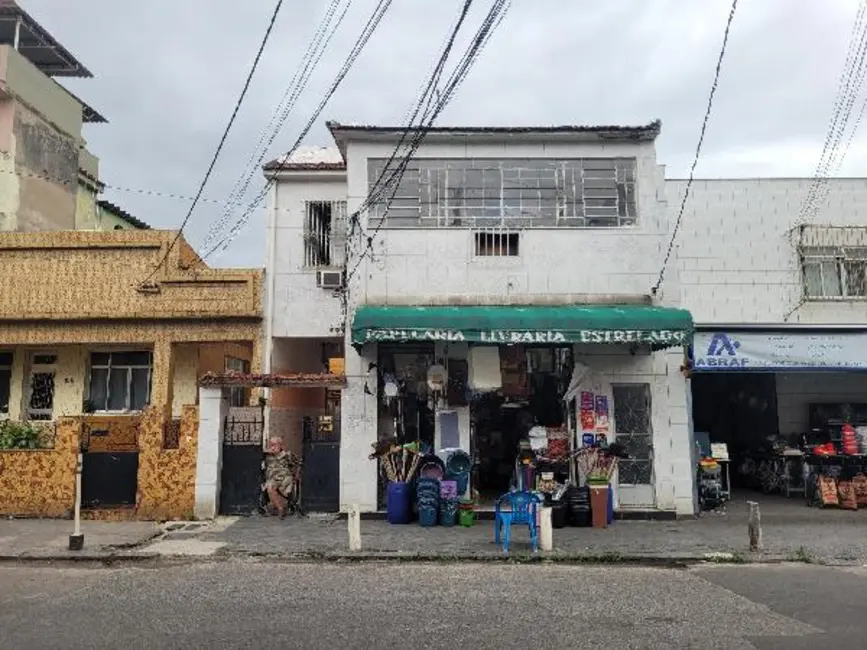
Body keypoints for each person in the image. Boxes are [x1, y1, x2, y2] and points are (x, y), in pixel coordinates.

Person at [263, 437, 301, 518]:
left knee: (286, 487)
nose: (272, 447)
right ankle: (280, 508)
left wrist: (297, 474)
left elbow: (299, 463)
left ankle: (288, 504)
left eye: (274, 445)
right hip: (273, 479)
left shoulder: (287, 455)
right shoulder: (268, 456)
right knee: (270, 486)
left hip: (285, 478)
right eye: (271, 445)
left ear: (280, 445)